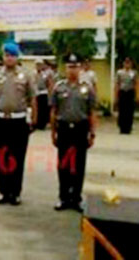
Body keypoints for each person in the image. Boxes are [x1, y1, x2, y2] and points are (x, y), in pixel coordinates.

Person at [0, 42, 37, 206]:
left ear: (17, 57)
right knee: (0, 156)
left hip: (18, 121)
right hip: (0, 120)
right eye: (7, 55)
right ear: (3, 57)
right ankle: (4, 191)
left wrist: (34, 118)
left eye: (13, 55)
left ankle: (15, 192)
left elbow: (32, 98)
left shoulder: (26, 75)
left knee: (17, 157)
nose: (9, 58)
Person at [51, 54, 96, 212]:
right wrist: (53, 132)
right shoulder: (58, 87)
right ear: (65, 68)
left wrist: (92, 133)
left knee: (79, 164)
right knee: (63, 164)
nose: (72, 70)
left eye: (75, 66)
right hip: (63, 128)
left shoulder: (87, 87)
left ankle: (76, 198)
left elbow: (91, 112)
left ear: (80, 68)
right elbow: (54, 111)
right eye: (70, 66)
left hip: (80, 129)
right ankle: (63, 197)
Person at [116, 57, 138, 134]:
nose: (127, 64)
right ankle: (122, 127)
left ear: (131, 64)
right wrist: (116, 94)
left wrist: (136, 95)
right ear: (123, 63)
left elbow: (135, 84)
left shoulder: (134, 73)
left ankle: (128, 127)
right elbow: (118, 84)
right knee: (122, 110)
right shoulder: (119, 72)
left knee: (129, 111)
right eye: (126, 62)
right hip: (122, 92)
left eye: (129, 62)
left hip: (130, 92)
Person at [35, 59, 52, 130]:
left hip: (43, 93)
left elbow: (49, 84)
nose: (38, 66)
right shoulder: (33, 74)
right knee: (37, 109)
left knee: (43, 110)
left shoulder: (45, 74)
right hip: (36, 93)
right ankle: (36, 123)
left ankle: (42, 124)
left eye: (40, 65)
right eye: (37, 65)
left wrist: (50, 94)